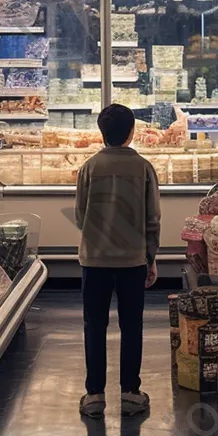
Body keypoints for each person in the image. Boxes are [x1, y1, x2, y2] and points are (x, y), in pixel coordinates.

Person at [75, 104, 161, 418]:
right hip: (132, 261)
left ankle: (95, 395)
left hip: (94, 260)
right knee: (132, 326)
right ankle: (130, 393)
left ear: (102, 132)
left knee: (94, 326)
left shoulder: (89, 167)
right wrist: (150, 258)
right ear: (131, 132)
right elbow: (153, 220)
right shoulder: (144, 167)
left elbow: (80, 216)